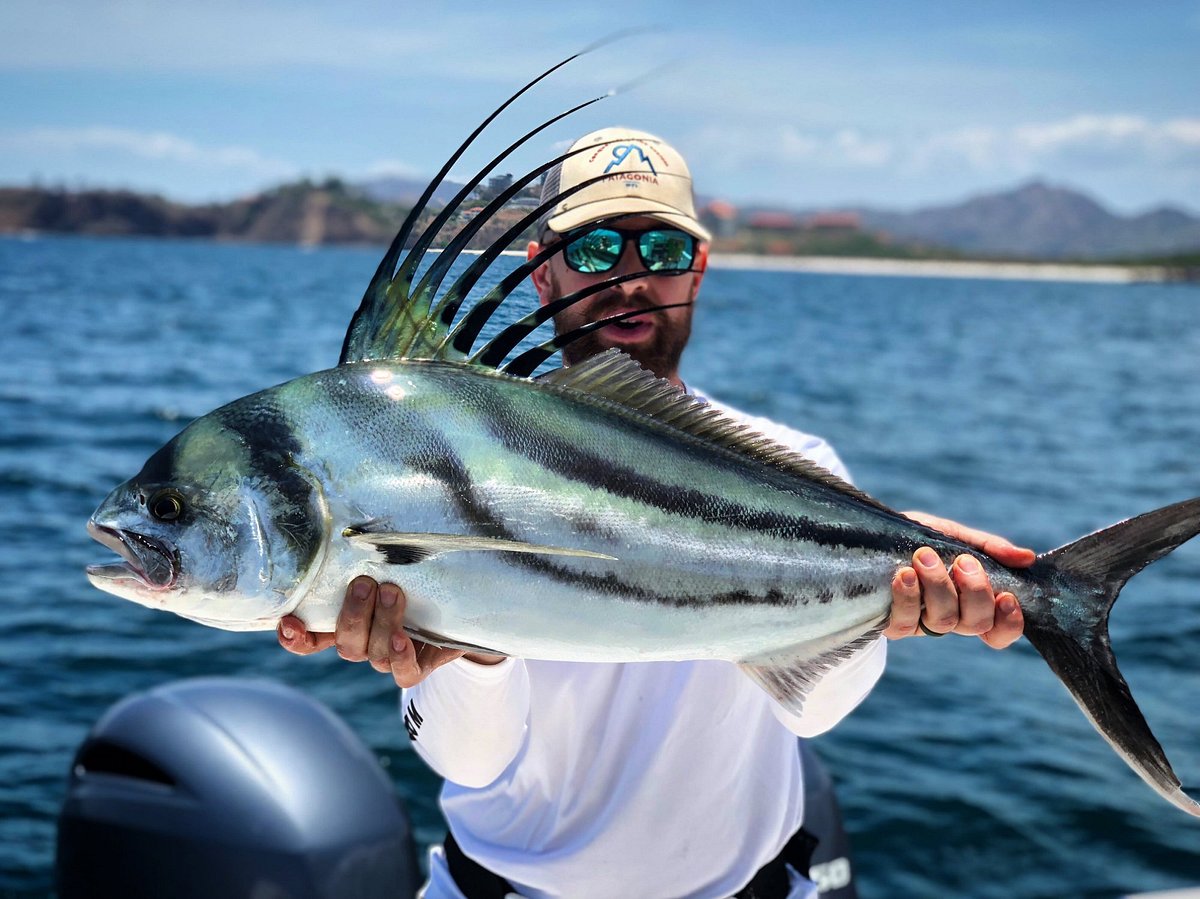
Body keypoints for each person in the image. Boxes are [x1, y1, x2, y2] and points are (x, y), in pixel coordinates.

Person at [278, 128, 1034, 899]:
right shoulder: (431, 472)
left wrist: (901, 601)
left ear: (697, 272)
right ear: (543, 273)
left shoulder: (803, 467)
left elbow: (815, 712)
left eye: (663, 252)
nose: (631, 279)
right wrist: (471, 654)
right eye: (598, 250)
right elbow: (470, 761)